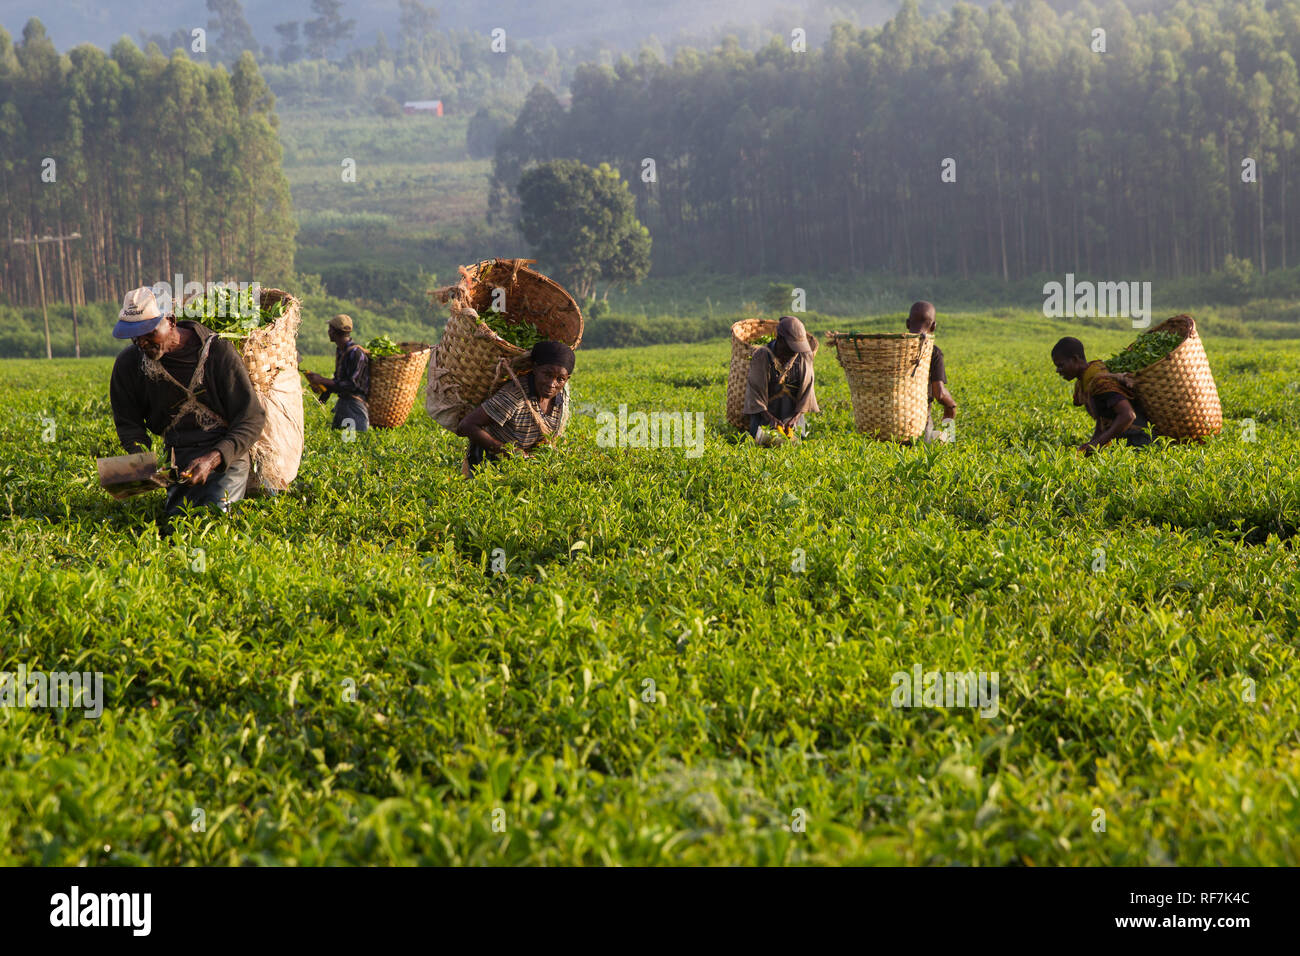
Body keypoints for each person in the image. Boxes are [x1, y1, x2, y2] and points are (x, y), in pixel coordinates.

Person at [108, 286, 266, 519]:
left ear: (170, 321)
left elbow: (251, 418)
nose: (141, 343)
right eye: (135, 336)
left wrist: (213, 459)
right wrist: (142, 462)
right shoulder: (129, 364)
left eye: (148, 333)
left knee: (214, 520)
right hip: (178, 462)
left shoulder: (217, 351)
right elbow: (128, 423)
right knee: (177, 526)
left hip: (225, 457)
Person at [455, 340, 574, 475]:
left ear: (567, 379)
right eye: (547, 374)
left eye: (560, 379)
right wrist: (506, 450)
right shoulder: (514, 395)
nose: (552, 384)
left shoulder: (562, 396)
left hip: (524, 466)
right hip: (488, 465)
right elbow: (465, 426)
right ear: (535, 369)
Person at [1051, 336, 1153, 453]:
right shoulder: (1085, 381)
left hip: (1140, 441)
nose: (1058, 370)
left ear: (1075, 359)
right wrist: (1092, 443)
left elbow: (1128, 415)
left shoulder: (1100, 382)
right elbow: (1103, 419)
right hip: (1124, 443)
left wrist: (1098, 443)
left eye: (1061, 365)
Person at [743, 315, 819, 445]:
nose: (793, 352)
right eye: (790, 347)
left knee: (794, 445)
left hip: (792, 419)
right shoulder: (762, 355)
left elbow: (807, 392)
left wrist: (795, 418)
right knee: (764, 442)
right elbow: (755, 395)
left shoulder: (804, 356)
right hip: (764, 419)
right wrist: (771, 420)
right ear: (780, 339)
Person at [305, 314, 370, 431]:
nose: (328, 332)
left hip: (353, 408)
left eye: (330, 329)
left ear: (334, 332)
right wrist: (322, 391)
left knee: (349, 444)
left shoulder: (356, 353)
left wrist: (322, 380)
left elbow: (351, 385)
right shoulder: (341, 350)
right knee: (341, 441)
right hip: (343, 405)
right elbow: (338, 382)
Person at [906, 301, 957, 442]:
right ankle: (950, 442)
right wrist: (951, 405)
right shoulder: (933, 352)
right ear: (933, 326)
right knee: (941, 442)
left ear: (908, 324)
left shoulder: (890, 350)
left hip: (885, 422)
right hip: (919, 424)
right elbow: (939, 393)